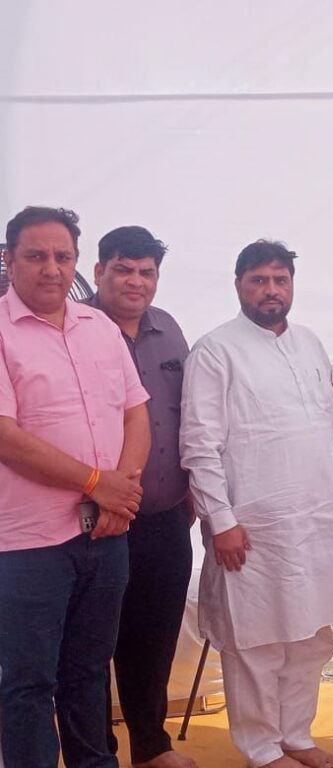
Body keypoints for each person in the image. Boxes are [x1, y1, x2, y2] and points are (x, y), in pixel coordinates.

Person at [180, 240, 333, 768]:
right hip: (252, 524)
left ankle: (296, 735)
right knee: (258, 640)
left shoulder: (309, 343)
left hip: (318, 517)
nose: (271, 290)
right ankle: (262, 749)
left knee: (312, 636)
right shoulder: (215, 350)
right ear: (238, 285)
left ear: (291, 285)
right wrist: (221, 520)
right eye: (259, 280)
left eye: (280, 280)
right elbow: (199, 444)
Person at [0, 206, 150, 767]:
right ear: (9, 259)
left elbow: (136, 413)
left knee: (89, 672)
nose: (52, 268)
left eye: (63, 256)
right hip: (28, 544)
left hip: (106, 534)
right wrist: (95, 483)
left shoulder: (100, 328)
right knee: (28, 681)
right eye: (36, 255)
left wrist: (121, 494)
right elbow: (6, 435)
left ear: (77, 262)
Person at [86, 225, 197, 768]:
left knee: (155, 636)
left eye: (146, 272)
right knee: (91, 643)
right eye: (123, 269)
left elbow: (187, 414)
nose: (135, 281)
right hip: (95, 516)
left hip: (166, 515)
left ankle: (151, 746)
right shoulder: (74, 329)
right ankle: (95, 751)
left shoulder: (169, 329)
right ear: (99, 270)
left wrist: (193, 487)